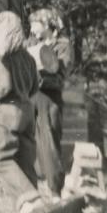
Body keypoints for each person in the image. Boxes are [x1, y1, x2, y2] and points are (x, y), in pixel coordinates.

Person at [0, 11, 43, 213]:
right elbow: (35, 87)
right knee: (25, 158)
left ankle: (29, 199)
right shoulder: (27, 57)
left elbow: (4, 87)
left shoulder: (1, 56)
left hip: (7, 111)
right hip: (26, 111)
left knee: (1, 158)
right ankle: (35, 206)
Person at [28, 8, 73, 155]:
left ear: (46, 25)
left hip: (51, 99)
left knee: (51, 143)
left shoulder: (63, 45)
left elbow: (62, 75)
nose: (31, 29)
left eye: (34, 24)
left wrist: (40, 78)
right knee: (33, 143)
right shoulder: (31, 44)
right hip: (32, 97)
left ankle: (54, 178)